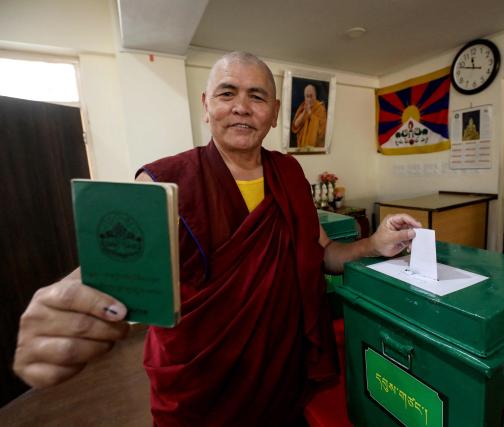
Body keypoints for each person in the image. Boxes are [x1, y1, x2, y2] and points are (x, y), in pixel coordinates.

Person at [13, 52, 420, 426]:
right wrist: (70, 306)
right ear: (207, 104)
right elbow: (118, 267)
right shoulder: (166, 180)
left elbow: (325, 252)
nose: (241, 106)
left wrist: (373, 244)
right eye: (228, 93)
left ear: (275, 112)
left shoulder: (289, 174)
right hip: (202, 378)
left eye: (257, 96)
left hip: (281, 367)